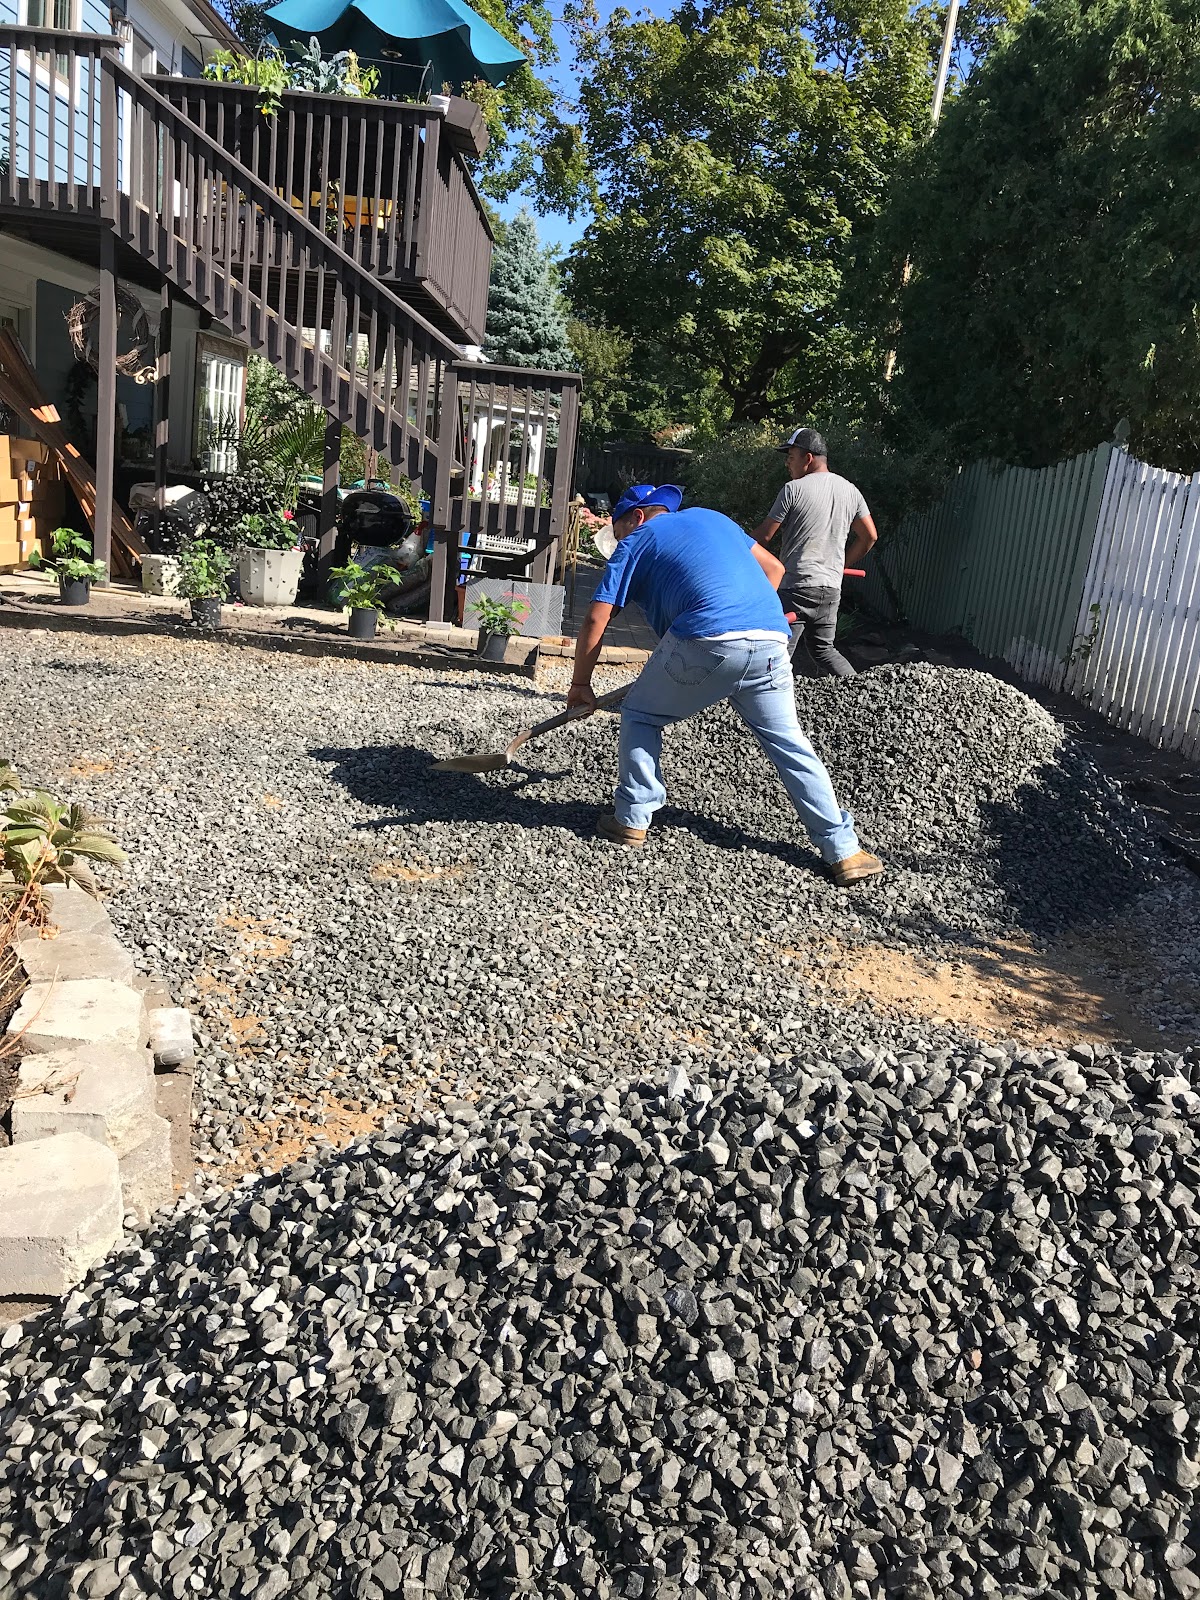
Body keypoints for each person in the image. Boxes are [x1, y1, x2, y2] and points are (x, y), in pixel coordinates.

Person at [567, 483, 883, 885]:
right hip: (771, 639)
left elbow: (597, 617)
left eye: (618, 530)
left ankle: (631, 818)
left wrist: (580, 683)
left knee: (641, 715)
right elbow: (775, 569)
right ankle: (844, 850)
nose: (619, 540)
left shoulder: (638, 540)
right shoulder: (713, 518)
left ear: (637, 517)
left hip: (706, 638)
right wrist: (745, 620)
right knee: (790, 743)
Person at [751, 426, 878, 679]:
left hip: (796, 587)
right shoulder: (851, 491)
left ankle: (765, 697)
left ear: (807, 458)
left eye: (791, 457)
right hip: (830, 590)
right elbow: (870, 536)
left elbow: (764, 537)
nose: (787, 463)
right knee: (823, 649)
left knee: (778, 652)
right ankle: (858, 688)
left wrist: (734, 543)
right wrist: (840, 566)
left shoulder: (793, 489)